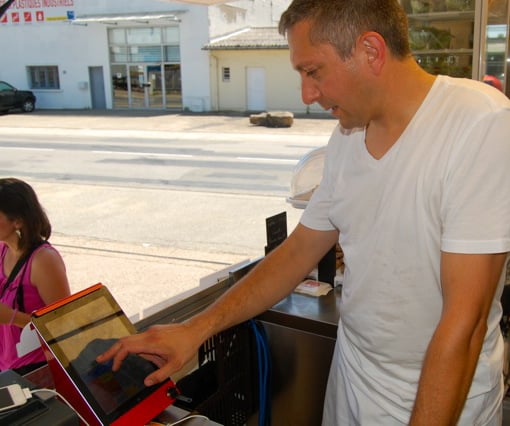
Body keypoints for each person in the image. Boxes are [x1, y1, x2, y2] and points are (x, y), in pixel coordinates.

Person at [98, 0, 510, 424]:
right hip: (355, 382)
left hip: (446, 399)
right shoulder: (346, 138)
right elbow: (296, 254)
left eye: (313, 71)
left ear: (370, 51)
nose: (307, 95)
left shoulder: (479, 124)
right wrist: (194, 329)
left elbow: (465, 322)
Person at [0, 178, 70, 375]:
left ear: (18, 221)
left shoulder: (43, 261)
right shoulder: (3, 250)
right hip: (6, 364)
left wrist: (12, 317)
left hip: (36, 370)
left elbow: (62, 326)